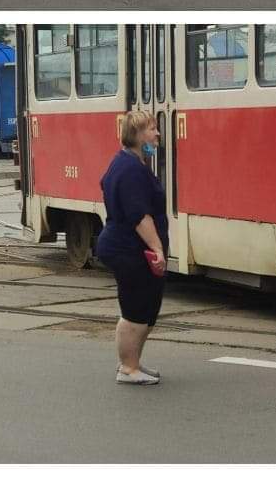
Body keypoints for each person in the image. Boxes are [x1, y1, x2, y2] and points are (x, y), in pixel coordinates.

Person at [95, 111, 169, 384]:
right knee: (136, 310)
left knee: (146, 307)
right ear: (137, 135)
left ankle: (134, 363)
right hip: (129, 249)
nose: (157, 134)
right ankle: (127, 368)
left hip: (132, 248)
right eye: (152, 129)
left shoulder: (131, 163)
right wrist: (158, 249)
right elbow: (139, 216)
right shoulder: (130, 169)